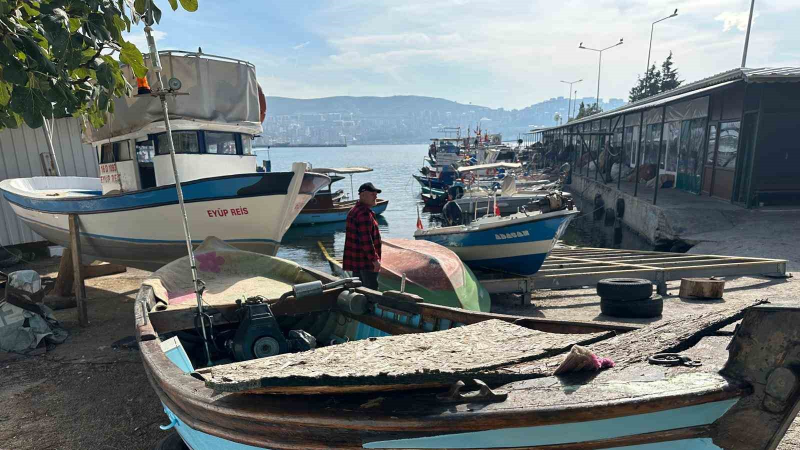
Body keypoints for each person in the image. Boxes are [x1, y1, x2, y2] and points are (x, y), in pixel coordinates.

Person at [343, 182, 382, 290]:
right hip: (366, 263)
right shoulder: (364, 214)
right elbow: (366, 241)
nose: (376, 197)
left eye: (376, 194)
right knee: (371, 292)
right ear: (363, 195)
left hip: (356, 262)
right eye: (372, 194)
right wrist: (375, 261)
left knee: (359, 289)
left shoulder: (353, 210)